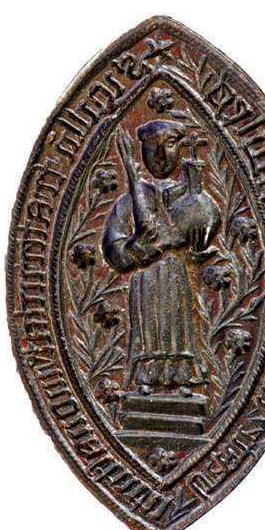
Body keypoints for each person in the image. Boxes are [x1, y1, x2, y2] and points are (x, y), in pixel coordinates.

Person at [102, 119, 220, 394]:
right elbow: (113, 247)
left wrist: (195, 247)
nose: (160, 155)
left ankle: (183, 379)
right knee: (148, 324)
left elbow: (202, 232)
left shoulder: (192, 198)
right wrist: (136, 247)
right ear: (141, 150)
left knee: (177, 322)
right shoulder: (128, 200)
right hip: (145, 278)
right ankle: (145, 380)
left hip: (177, 273)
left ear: (180, 148)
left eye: (169, 144)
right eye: (151, 145)